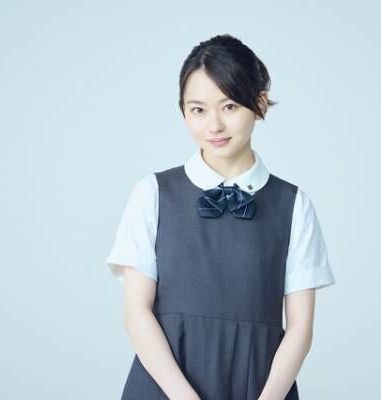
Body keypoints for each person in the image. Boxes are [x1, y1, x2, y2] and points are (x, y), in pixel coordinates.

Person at [104, 33, 336, 400]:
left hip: (259, 389)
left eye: (229, 106)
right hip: (165, 388)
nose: (214, 125)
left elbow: (300, 329)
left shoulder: (294, 205)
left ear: (259, 104)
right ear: (183, 110)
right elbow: (136, 313)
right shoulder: (153, 193)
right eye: (198, 109)